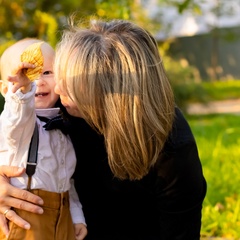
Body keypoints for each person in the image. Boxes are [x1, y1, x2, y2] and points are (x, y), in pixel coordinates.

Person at [0, 19, 206, 240]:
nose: (58, 89)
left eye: (73, 85)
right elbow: (12, 132)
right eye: (61, 76)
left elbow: (180, 232)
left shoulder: (172, 149)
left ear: (110, 96)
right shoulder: (62, 108)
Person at [0, 38, 87, 240]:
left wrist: (76, 217)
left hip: (62, 215)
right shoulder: (17, 123)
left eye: (47, 72)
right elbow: (16, 118)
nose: (38, 81)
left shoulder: (62, 123)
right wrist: (23, 91)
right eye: (28, 74)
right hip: (26, 218)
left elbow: (67, 179)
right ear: (5, 90)